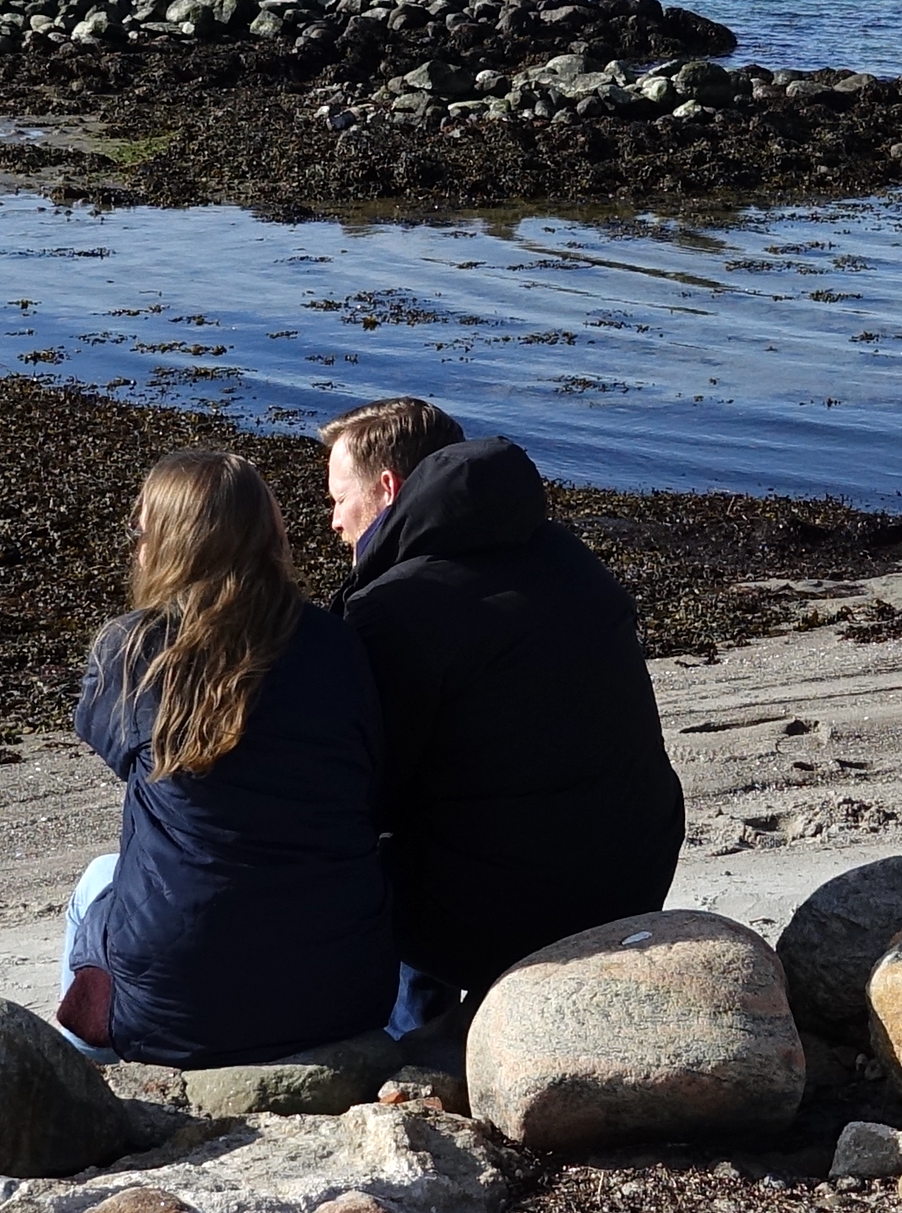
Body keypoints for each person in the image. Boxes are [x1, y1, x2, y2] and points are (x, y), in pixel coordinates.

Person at [324, 398, 687, 1027]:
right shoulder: (568, 557)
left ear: (387, 489)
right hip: (635, 876)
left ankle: (415, 1040)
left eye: (338, 499)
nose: (333, 521)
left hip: (512, 914)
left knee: (346, 843)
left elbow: (368, 790)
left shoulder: (397, 607)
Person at [59, 449, 396, 1067]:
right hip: (345, 991)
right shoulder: (338, 644)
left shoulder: (132, 648)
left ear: (165, 543)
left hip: (179, 1003)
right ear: (270, 535)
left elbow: (115, 751)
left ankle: (90, 1065)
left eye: (142, 531)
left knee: (97, 883)